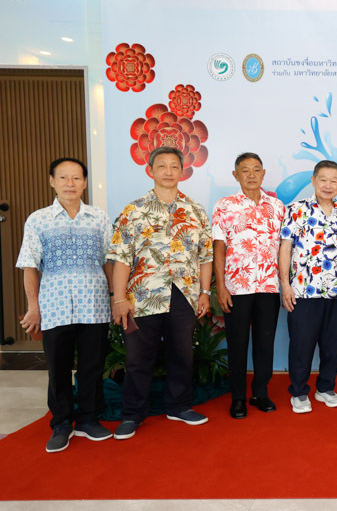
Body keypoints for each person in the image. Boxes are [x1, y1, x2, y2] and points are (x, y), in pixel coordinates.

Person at [108, 147, 214, 440]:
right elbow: (121, 257)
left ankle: (179, 406)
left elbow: (206, 256)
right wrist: (119, 298)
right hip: (142, 296)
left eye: (174, 166)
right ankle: (132, 414)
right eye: (162, 166)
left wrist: (205, 292)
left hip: (184, 293)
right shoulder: (134, 210)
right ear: (151, 170)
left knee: (182, 353)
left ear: (182, 171)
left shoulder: (195, 210)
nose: (168, 171)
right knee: (138, 358)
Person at [17, 158, 114, 452]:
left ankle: (88, 420)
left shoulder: (99, 218)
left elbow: (109, 262)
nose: (70, 183)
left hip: (94, 303)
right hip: (54, 304)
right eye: (63, 178)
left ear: (85, 182)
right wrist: (33, 307)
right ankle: (61, 423)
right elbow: (30, 266)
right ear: (52, 181)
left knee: (92, 365)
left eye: (76, 178)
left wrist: (114, 298)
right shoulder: (38, 220)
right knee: (58, 368)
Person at [280, 160, 337, 414]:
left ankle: (325, 388)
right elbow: (285, 247)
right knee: (301, 343)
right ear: (313, 180)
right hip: (303, 289)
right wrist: (285, 284)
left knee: (332, 344)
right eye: (323, 179)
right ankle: (299, 392)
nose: (328, 185)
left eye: (333, 181)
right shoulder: (296, 209)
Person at [212, 153, 286, 419]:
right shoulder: (225, 206)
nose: (251, 175)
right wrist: (221, 288)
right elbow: (218, 248)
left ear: (263, 174)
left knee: (265, 342)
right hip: (236, 287)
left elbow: (284, 248)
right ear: (236, 175)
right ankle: (238, 398)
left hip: (268, 286)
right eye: (245, 170)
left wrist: (286, 283)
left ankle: (260, 393)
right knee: (237, 343)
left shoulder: (277, 207)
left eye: (256, 170)